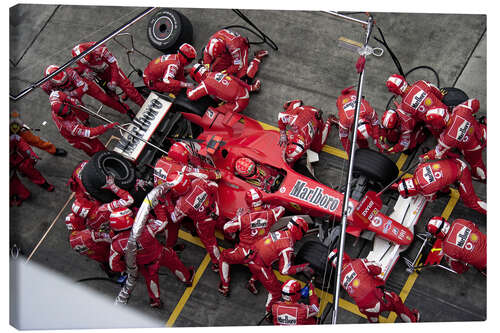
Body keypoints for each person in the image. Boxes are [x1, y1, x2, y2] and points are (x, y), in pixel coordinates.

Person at [108, 207, 194, 308]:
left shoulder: (116, 244)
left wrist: (128, 268)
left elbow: (113, 265)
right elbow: (163, 221)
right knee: (175, 262)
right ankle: (187, 279)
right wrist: (159, 207)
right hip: (160, 254)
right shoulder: (146, 229)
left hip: (144, 265)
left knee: (151, 280)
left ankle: (155, 300)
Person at [218, 188, 286, 296]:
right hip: (262, 253)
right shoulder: (270, 214)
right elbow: (282, 209)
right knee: (261, 266)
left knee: (223, 257)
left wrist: (238, 216)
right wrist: (266, 206)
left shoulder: (243, 218)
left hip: (244, 252)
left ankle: (225, 286)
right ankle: (252, 281)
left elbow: (226, 227)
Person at [328, 249, 420, 323]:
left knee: (373, 321)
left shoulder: (340, 280)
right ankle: (413, 320)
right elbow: (378, 269)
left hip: (365, 308)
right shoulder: (359, 263)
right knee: (396, 301)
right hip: (379, 299)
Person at [247, 216, 313, 316]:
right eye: (303, 233)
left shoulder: (281, 232)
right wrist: (303, 267)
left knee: (266, 264)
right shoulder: (287, 246)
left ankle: (251, 281)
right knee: (276, 291)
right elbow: (284, 271)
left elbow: (275, 248)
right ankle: (268, 313)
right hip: (260, 265)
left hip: (252, 255)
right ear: (298, 232)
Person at [72, 41, 145, 117]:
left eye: (90, 60)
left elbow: (114, 64)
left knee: (129, 89)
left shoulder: (101, 49)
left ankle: (143, 105)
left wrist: (113, 81)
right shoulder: (76, 55)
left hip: (112, 69)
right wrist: (86, 70)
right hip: (99, 75)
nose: (89, 62)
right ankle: (127, 111)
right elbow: (81, 66)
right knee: (112, 96)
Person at [419, 98, 486, 181]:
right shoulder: (461, 110)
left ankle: (482, 177)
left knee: (476, 163)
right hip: (483, 132)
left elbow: (438, 153)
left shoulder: (446, 139)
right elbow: (476, 103)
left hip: (473, 149)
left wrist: (426, 155)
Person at [169, 171, 222, 272]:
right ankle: (231, 236)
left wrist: (168, 204)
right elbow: (214, 185)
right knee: (224, 226)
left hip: (204, 223)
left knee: (210, 243)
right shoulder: (199, 181)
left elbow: (174, 218)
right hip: (216, 210)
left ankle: (218, 264)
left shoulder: (181, 204)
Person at [397, 158, 486, 215]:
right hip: (456, 160)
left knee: (470, 202)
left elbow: (432, 198)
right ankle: (478, 175)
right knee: (441, 184)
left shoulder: (426, 191)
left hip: (462, 173)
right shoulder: (418, 169)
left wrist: (423, 195)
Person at [42, 64, 131, 117]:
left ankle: (125, 110)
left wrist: (71, 93)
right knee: (77, 109)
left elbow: (84, 87)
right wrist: (67, 97)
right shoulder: (45, 86)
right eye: (62, 83)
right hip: (67, 94)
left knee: (104, 99)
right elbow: (53, 96)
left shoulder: (70, 72)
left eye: (66, 80)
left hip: (80, 85)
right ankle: (85, 119)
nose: (65, 83)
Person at [49, 90, 118, 156]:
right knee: (97, 150)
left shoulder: (55, 103)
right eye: (68, 113)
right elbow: (90, 133)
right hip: (79, 139)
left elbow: (55, 93)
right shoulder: (70, 126)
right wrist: (107, 126)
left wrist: (71, 100)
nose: (70, 112)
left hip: (73, 127)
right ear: (63, 116)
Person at [385, 74, 449, 138]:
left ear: (396, 91)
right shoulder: (421, 83)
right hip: (446, 111)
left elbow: (417, 119)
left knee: (433, 131)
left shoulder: (405, 106)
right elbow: (437, 91)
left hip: (436, 126)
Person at [278, 99, 336, 164]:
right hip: (305, 114)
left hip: (313, 116)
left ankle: (329, 122)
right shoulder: (295, 124)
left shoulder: (306, 140)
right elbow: (281, 116)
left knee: (317, 148)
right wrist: (282, 134)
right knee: (291, 113)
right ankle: (295, 104)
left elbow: (281, 116)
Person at [187, 63, 260, 115]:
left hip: (239, 103)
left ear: (196, 76)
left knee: (213, 114)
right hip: (244, 91)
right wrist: (249, 87)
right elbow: (234, 78)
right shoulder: (216, 73)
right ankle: (252, 88)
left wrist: (189, 86)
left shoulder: (205, 84)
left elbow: (191, 96)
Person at [203, 29, 268, 81]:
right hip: (226, 51)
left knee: (244, 79)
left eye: (219, 55)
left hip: (241, 48)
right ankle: (223, 57)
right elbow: (206, 53)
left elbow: (237, 65)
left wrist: (226, 72)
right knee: (215, 71)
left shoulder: (233, 47)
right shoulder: (212, 39)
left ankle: (257, 58)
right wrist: (206, 64)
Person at [10, 133, 54, 206]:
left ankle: (43, 183)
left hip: (18, 158)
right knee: (11, 182)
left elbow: (19, 141)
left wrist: (30, 152)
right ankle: (19, 195)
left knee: (29, 169)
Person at [335, 87, 380, 153]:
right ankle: (364, 147)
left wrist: (376, 137)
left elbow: (375, 123)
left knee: (360, 139)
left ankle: (364, 147)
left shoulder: (369, 111)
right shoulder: (344, 122)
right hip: (341, 101)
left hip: (354, 94)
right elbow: (343, 138)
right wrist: (349, 152)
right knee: (360, 140)